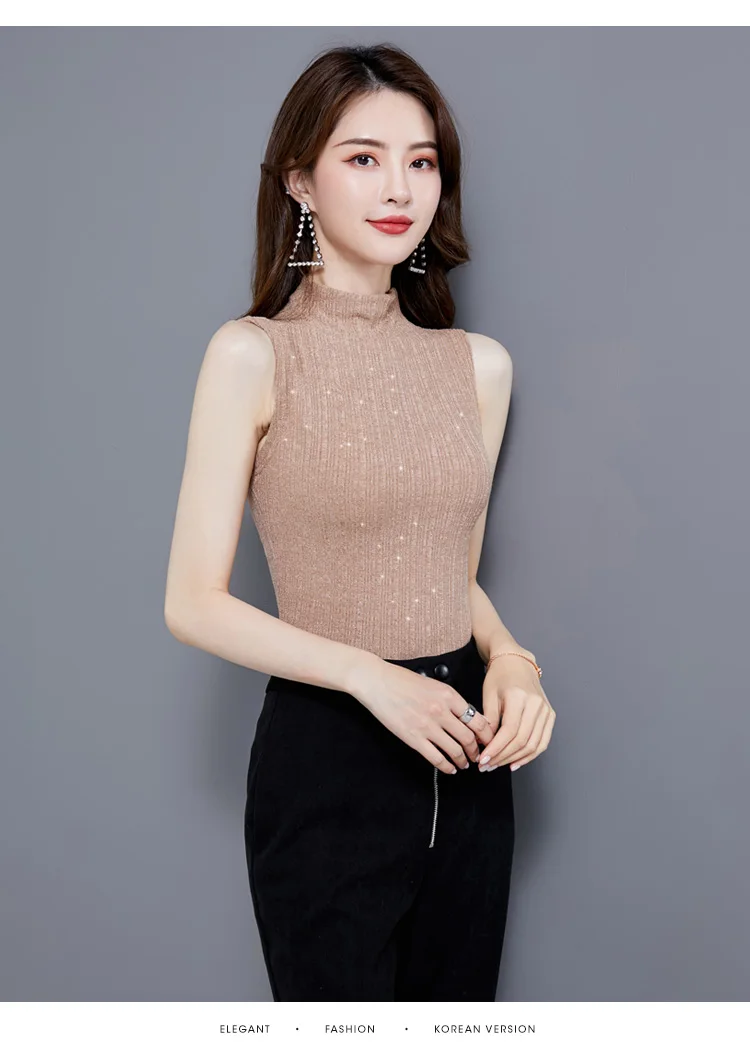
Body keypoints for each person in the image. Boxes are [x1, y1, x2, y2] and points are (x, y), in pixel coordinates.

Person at [164, 43, 556, 1002]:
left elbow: (446, 573)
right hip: (329, 750)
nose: (399, 188)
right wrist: (370, 678)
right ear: (300, 180)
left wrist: (513, 662)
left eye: (421, 161)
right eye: (363, 157)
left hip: (468, 750)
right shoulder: (253, 355)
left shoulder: (479, 368)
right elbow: (192, 603)